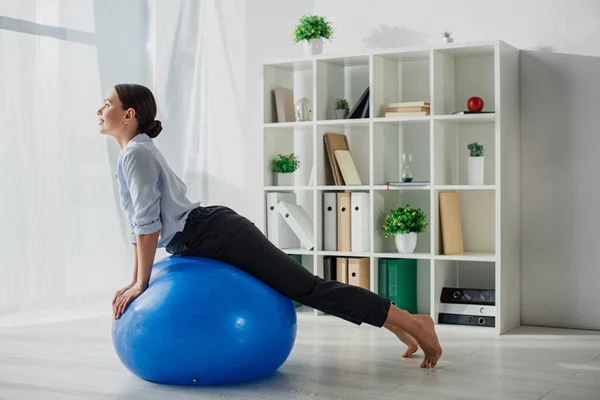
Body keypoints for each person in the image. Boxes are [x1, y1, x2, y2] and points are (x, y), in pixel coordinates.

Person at [98, 83, 442, 369]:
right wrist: (134, 280)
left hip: (214, 234)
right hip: (203, 235)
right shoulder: (134, 152)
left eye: (107, 103)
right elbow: (140, 226)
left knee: (307, 288)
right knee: (307, 288)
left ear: (129, 115)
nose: (100, 110)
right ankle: (399, 321)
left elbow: (147, 225)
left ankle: (413, 323)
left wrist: (140, 282)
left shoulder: (136, 154)